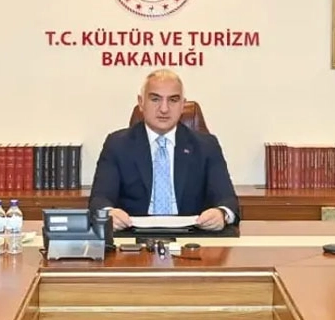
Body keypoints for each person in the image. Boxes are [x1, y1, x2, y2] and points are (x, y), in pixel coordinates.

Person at [88, 69, 240, 232]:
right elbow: (99, 199)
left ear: (183, 105)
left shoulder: (206, 146)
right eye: (155, 99)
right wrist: (109, 214)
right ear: (141, 102)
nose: (164, 109)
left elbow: (228, 200)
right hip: (133, 235)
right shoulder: (117, 144)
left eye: (173, 100)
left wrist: (222, 213)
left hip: (192, 236)